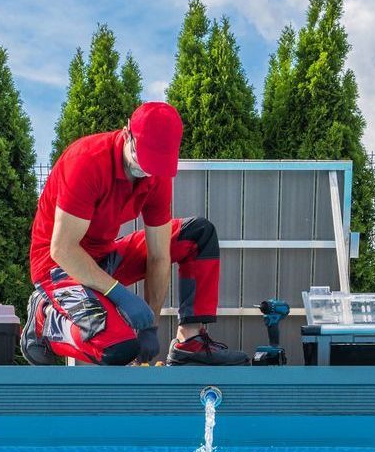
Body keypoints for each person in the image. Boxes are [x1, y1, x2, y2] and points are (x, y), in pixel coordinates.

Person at [23, 101, 248, 366]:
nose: (149, 171)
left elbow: (159, 256)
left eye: (157, 163)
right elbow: (62, 249)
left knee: (197, 234)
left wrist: (148, 326)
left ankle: (190, 342)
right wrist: (120, 294)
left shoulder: (156, 172)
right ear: (128, 132)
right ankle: (45, 323)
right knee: (118, 348)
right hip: (59, 267)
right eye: (145, 158)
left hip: (104, 257)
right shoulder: (86, 161)